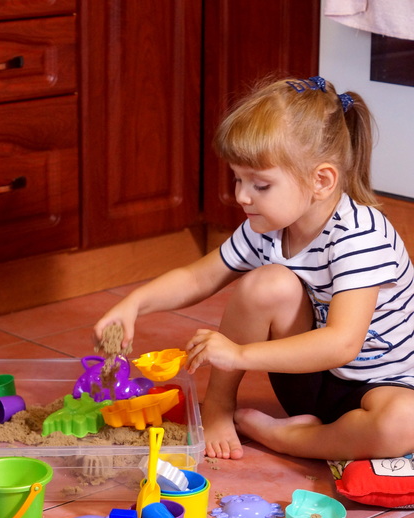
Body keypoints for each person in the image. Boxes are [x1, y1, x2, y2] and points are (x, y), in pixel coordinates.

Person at [94, 75, 414, 462]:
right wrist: (134, 303)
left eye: (260, 185)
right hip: (309, 380)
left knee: (404, 422)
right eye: (238, 179)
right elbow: (197, 277)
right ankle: (218, 408)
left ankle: (286, 437)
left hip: (382, 386)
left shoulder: (361, 237)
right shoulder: (267, 229)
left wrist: (239, 354)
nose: (241, 196)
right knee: (267, 284)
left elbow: (343, 343)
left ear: (321, 180)